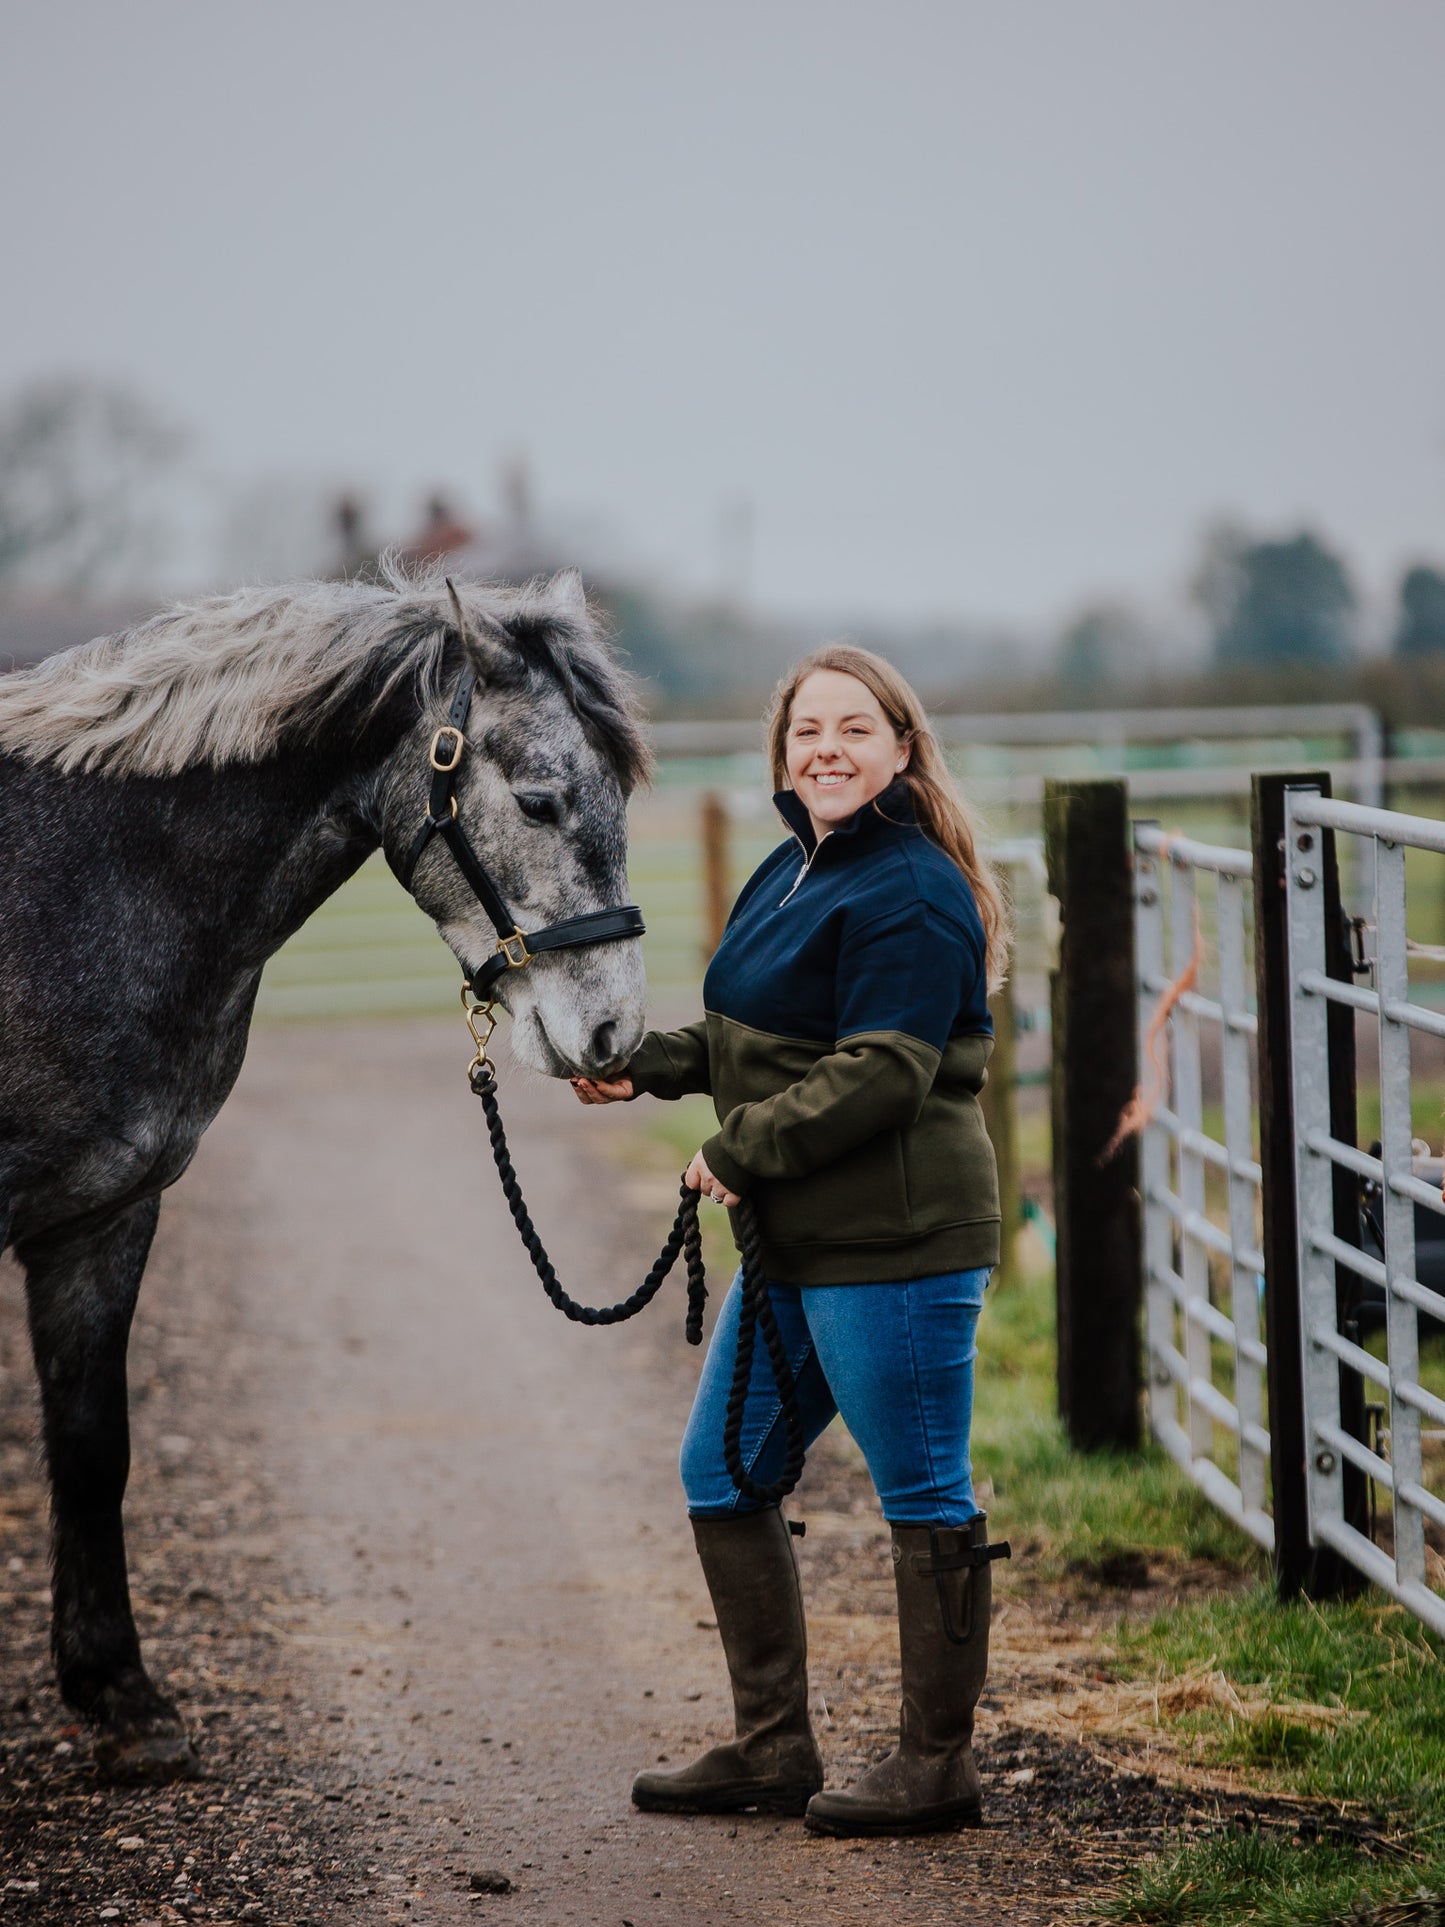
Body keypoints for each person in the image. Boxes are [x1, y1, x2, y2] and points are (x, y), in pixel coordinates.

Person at [572, 645, 1009, 1837]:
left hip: (896, 1241)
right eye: (805, 729)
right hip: (798, 1242)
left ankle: (937, 1765)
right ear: (782, 753)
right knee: (721, 1470)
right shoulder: (793, 866)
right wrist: (642, 1065)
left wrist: (739, 1148)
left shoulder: (911, 891)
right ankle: (773, 1744)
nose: (825, 748)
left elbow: (880, 1072)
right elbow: (747, 1037)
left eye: (853, 729)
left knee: (919, 1491)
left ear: (901, 749)